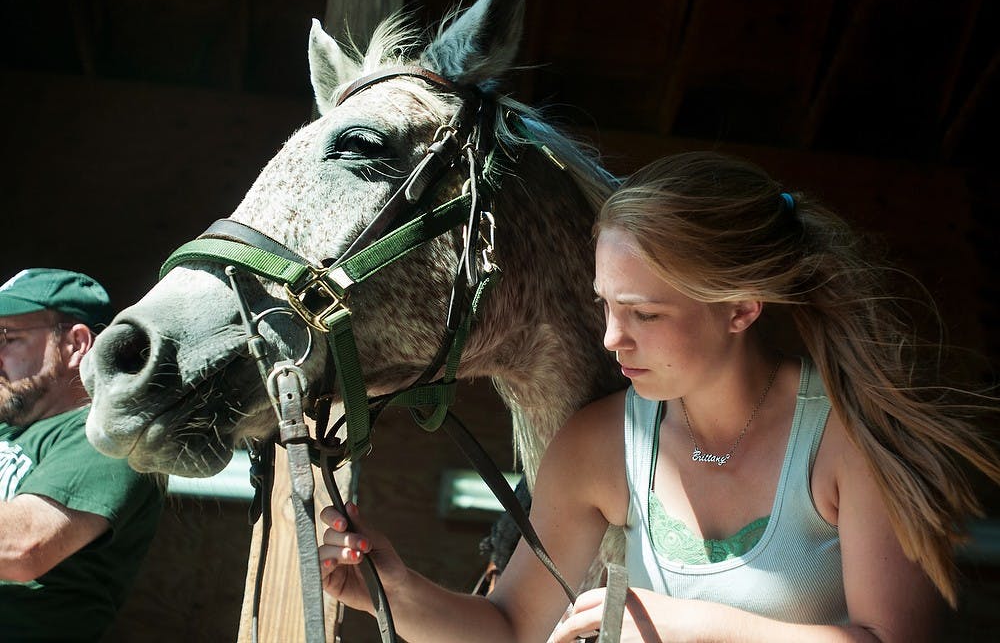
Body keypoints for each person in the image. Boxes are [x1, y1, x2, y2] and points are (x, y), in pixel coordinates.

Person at [317, 152, 1000, 642]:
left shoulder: (850, 437)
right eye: (606, 306)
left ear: (740, 307)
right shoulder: (596, 446)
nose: (613, 338)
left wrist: (696, 629)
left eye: (644, 314)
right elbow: (509, 628)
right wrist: (394, 591)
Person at [0, 268, 164, 642]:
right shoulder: (11, 424)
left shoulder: (110, 437)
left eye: (6, 338)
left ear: (75, 345)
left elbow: (25, 545)